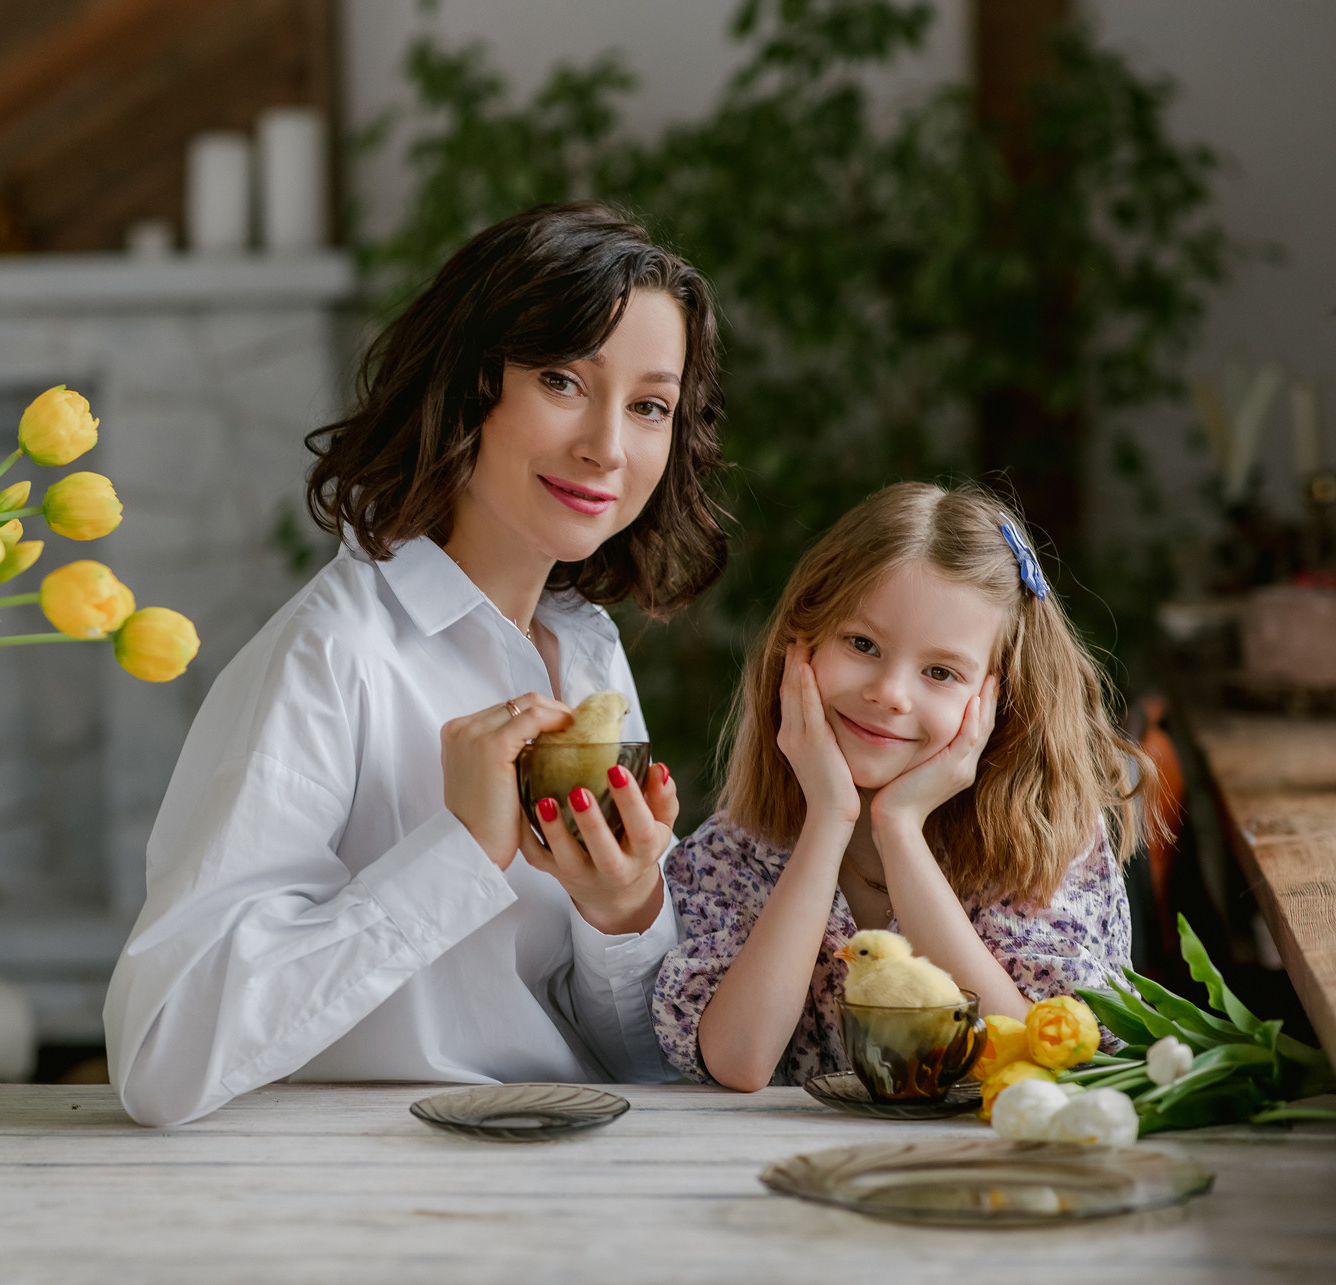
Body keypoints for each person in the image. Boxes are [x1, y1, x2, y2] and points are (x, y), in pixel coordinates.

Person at [104, 203, 727, 1125]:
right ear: (468, 385)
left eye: (649, 406)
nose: (606, 445)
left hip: (565, 1174)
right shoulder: (335, 653)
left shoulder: (587, 647)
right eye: (562, 380)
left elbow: (635, 1062)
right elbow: (161, 1056)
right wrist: (461, 852)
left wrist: (624, 910)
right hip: (361, 1183)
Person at [653, 482, 1148, 1091]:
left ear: (1001, 697)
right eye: (862, 644)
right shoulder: (738, 850)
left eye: (940, 671)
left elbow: (1045, 1064)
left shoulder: (1044, 843)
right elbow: (739, 1061)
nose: (889, 693)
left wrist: (900, 831)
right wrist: (828, 819)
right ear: (799, 647)